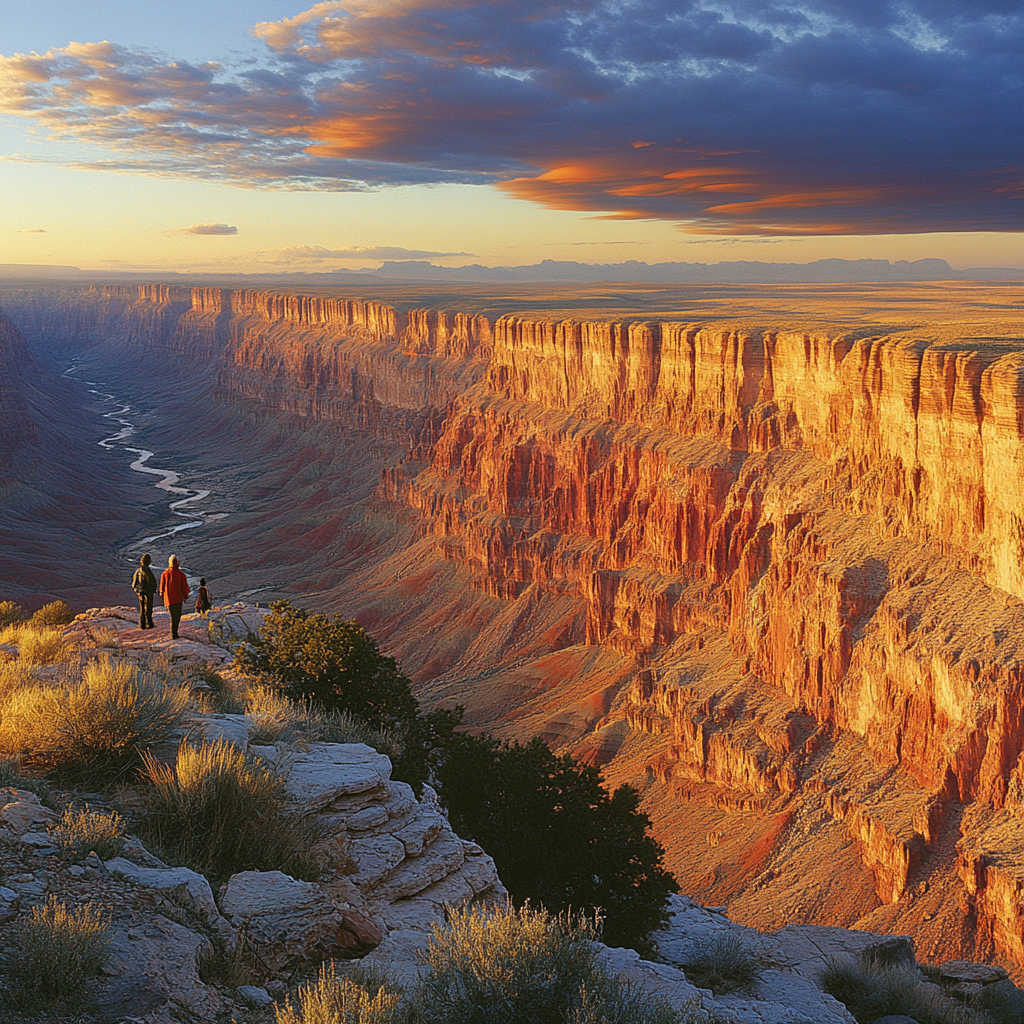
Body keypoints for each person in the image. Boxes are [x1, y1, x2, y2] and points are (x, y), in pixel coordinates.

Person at [159, 554, 190, 639]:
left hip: (169, 599)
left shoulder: (165, 573)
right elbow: (184, 587)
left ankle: (173, 633)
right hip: (179, 599)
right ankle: (174, 632)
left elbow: (161, 588)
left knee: (173, 616)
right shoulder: (181, 574)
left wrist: (163, 597)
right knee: (177, 616)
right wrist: (185, 596)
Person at [131, 553, 157, 629]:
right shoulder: (149, 572)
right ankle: (149, 623)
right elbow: (153, 582)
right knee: (148, 608)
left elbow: (133, 584)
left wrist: (137, 592)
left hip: (140, 592)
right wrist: (153, 590)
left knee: (142, 608)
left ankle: (142, 624)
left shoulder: (138, 571)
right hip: (148, 592)